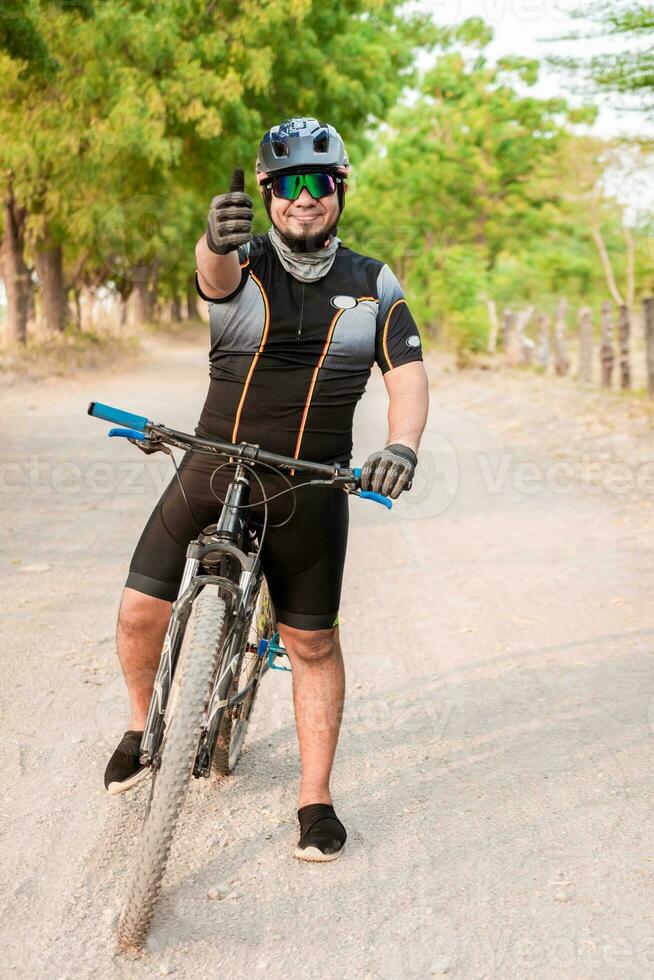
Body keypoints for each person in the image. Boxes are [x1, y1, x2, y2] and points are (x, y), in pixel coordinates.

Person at [105, 117, 429, 862]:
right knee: (136, 612)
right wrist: (214, 241)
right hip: (215, 459)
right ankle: (138, 725)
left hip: (311, 482)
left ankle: (315, 800)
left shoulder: (372, 282)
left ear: (340, 190)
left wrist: (403, 446)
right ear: (266, 193)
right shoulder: (243, 262)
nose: (303, 197)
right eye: (288, 183)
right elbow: (212, 277)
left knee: (311, 643)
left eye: (319, 182)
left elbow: (408, 377)